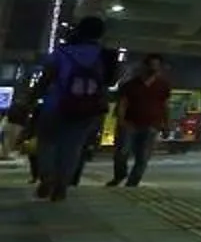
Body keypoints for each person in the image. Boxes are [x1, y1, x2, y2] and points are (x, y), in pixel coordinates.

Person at [33, 16, 117, 202]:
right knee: (72, 147)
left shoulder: (62, 52)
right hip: (86, 108)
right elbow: (110, 82)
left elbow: (46, 78)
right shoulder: (105, 56)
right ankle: (62, 185)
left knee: (47, 142)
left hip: (55, 104)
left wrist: (30, 99)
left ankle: (47, 176)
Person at [112, 55, 172, 187]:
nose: (153, 69)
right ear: (144, 67)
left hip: (151, 125)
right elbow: (123, 103)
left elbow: (165, 105)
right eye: (151, 65)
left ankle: (132, 183)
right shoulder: (130, 85)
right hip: (130, 123)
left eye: (156, 66)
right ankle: (120, 175)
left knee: (143, 156)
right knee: (122, 152)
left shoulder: (163, 85)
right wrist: (121, 120)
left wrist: (166, 125)